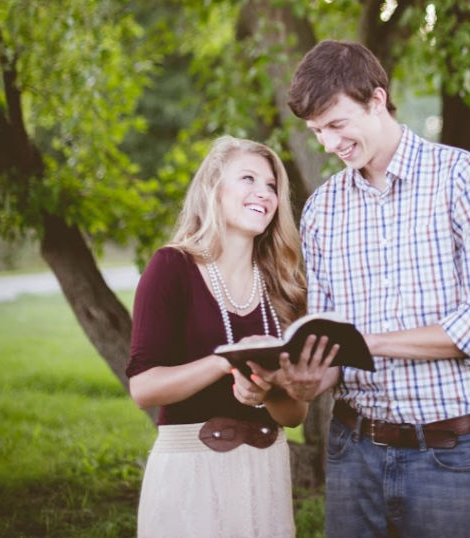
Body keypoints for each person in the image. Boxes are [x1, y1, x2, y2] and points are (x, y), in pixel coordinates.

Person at [280, 40, 470, 537]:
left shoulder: (463, 178)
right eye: (316, 131)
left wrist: (368, 342)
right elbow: (332, 352)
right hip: (351, 453)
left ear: (376, 99)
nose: (328, 144)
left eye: (337, 124)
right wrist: (305, 380)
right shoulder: (323, 209)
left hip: (447, 456)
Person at [126, 136, 336, 537]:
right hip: (191, 471)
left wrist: (270, 389)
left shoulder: (285, 285)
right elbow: (143, 388)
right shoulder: (171, 267)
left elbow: (294, 416)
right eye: (248, 179)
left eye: (272, 185)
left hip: (265, 472)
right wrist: (226, 360)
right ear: (214, 190)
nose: (264, 193)